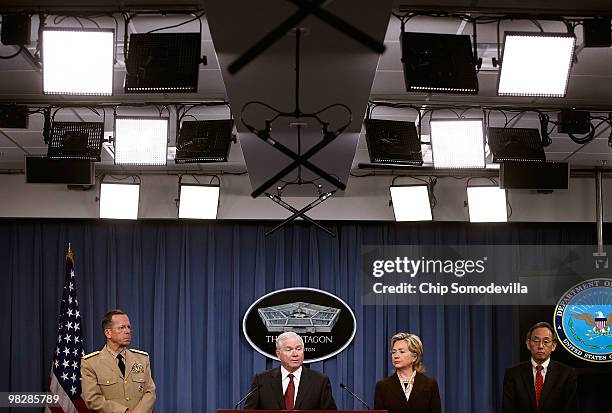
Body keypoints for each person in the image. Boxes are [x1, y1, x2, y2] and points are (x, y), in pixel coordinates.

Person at [81, 309, 156, 413]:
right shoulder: (90, 363)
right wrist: (123, 411)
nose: (128, 331)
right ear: (108, 333)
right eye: (122, 327)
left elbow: (150, 391)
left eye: (129, 327)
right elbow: (93, 399)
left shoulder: (142, 359)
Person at [244, 331, 337, 410]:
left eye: (298, 349)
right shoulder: (262, 380)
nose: (295, 354)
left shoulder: (320, 381)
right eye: (289, 349)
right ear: (278, 354)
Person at [502, 321, 577, 413]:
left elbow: (570, 409)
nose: (541, 346)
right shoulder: (513, 374)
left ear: (553, 346)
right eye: (536, 341)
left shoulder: (567, 374)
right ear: (528, 344)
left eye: (546, 341)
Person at [374, 332, 441, 413]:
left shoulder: (430, 384)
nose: (396, 356)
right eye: (394, 352)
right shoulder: (382, 386)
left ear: (415, 357)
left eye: (401, 352)